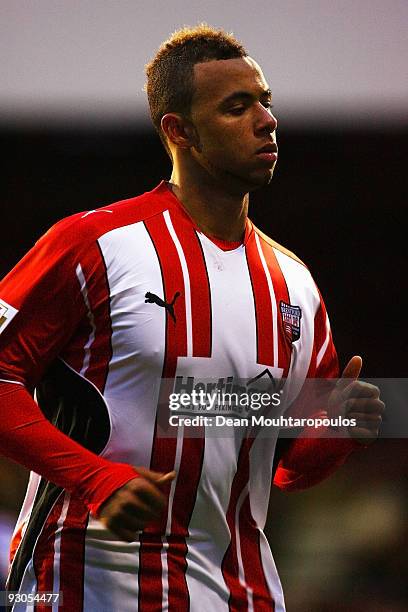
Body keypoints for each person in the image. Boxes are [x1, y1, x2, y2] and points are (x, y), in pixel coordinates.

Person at [0, 24, 384, 612]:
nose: (266, 120)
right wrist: (94, 477)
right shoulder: (94, 244)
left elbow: (284, 472)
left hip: (242, 590)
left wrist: (335, 434)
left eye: (265, 102)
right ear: (179, 131)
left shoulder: (295, 284)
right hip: (88, 580)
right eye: (237, 107)